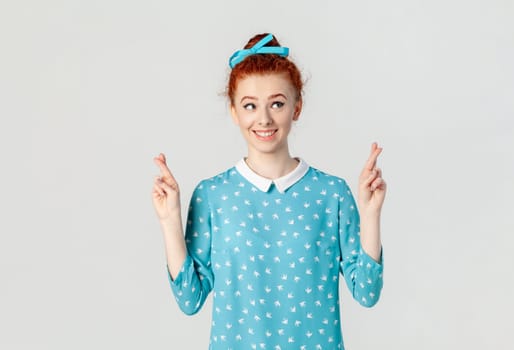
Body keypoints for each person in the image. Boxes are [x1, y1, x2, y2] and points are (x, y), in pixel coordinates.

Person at [152, 33, 386, 349]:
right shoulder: (212, 196)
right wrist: (169, 220)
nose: (263, 119)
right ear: (234, 111)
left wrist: (371, 213)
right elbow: (189, 299)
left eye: (277, 103)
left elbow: (367, 293)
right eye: (250, 105)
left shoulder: (331, 194)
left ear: (297, 108)